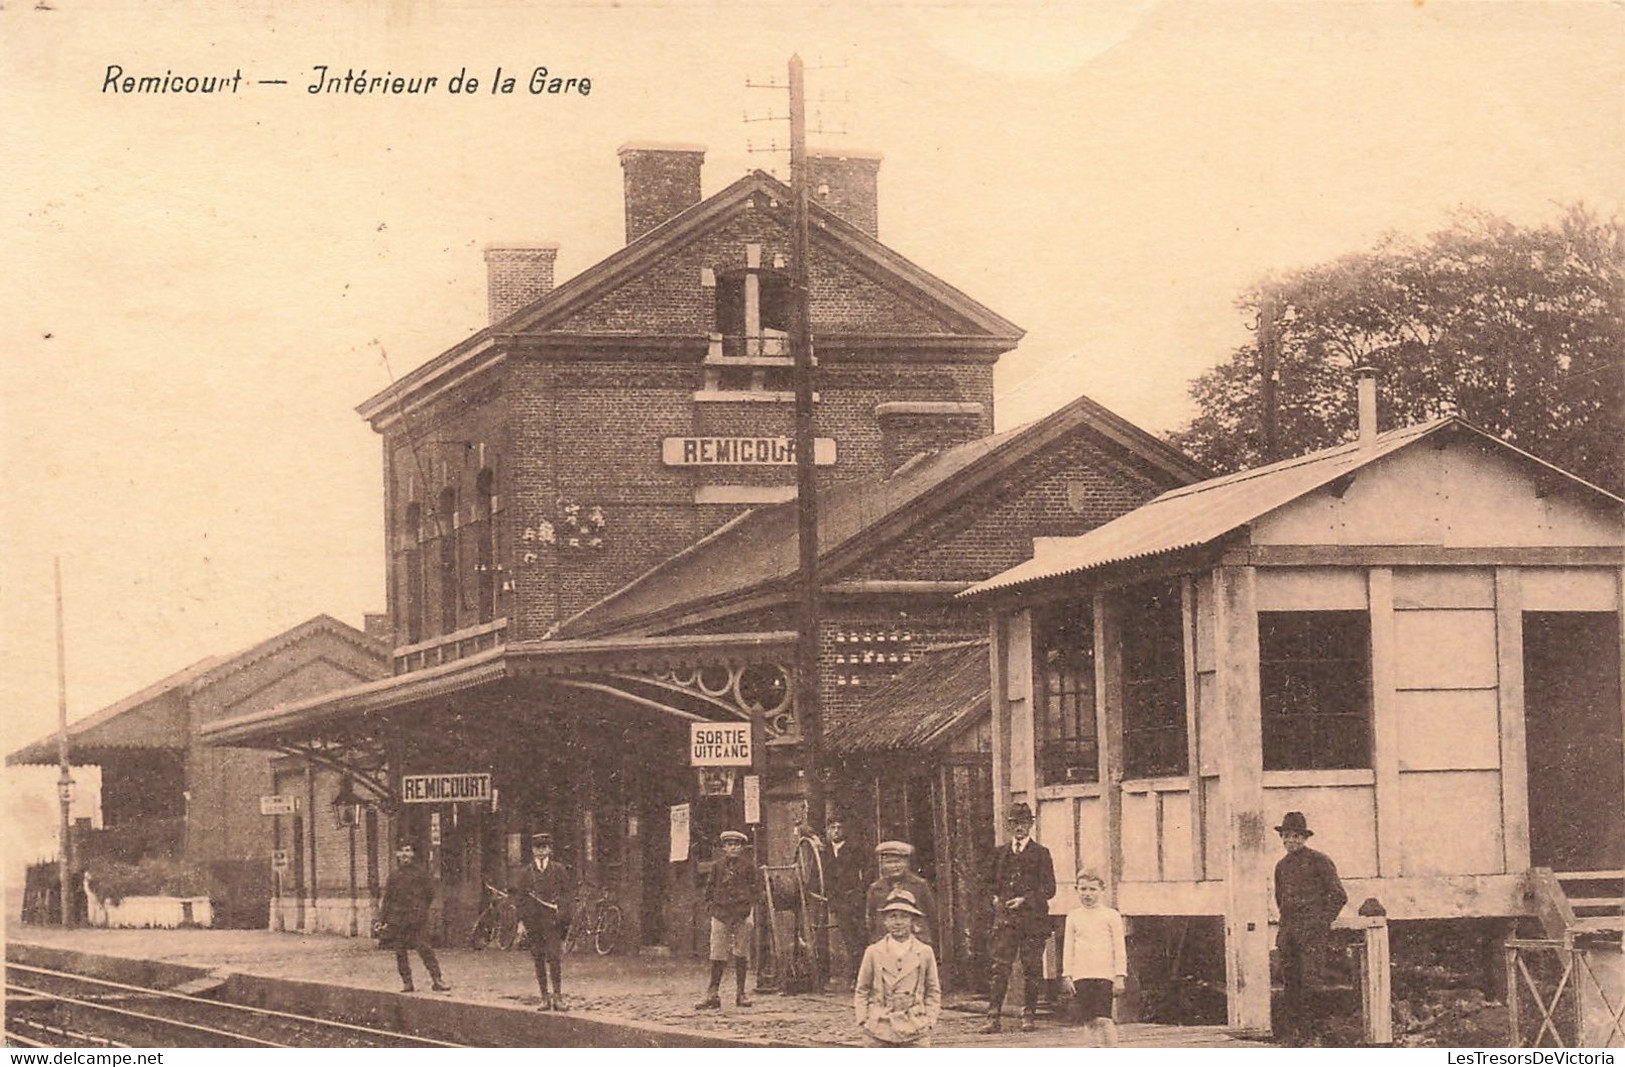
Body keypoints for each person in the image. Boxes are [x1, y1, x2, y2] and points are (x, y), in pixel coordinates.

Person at [1273, 811, 1348, 1046]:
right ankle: (1293, 1036)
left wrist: (1320, 923)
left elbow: (1338, 896)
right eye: (1286, 836)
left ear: (1304, 838)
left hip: (1312, 935)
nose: (1291, 841)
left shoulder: (1319, 861)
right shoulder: (1281, 866)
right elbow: (1281, 901)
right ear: (1282, 838)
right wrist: (1285, 930)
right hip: (1289, 936)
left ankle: (1314, 1035)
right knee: (1290, 984)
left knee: (1311, 983)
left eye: (1296, 836)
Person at [981, 802, 1056, 1033]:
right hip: (1005, 922)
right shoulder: (1000, 852)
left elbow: (1049, 889)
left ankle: (1029, 1014)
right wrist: (995, 897)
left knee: (1031, 968)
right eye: (1014, 823)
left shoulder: (1041, 853)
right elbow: (988, 882)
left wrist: (1025, 900)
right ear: (1009, 826)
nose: (1019, 828)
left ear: (1031, 825)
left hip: (1032, 922)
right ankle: (993, 1016)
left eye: (1023, 823)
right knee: (999, 968)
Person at [854, 888, 942, 1047]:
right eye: (892, 917)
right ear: (885, 921)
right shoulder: (874, 951)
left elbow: (933, 990)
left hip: (915, 1027)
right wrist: (863, 1019)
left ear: (913, 921)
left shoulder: (924, 952)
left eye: (904, 916)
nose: (898, 922)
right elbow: (862, 989)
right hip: (879, 1027)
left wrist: (929, 1020)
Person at [1061, 872, 1126, 1047]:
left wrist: (1120, 975)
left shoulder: (1111, 915)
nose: (1087, 894)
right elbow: (1068, 947)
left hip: (1104, 974)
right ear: (1076, 890)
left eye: (1092, 889)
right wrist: (1067, 974)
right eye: (1083, 889)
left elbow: (1119, 947)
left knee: (1104, 1019)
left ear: (1102, 890)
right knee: (1089, 1020)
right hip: (1082, 974)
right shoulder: (1073, 916)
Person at [696, 829, 759, 1010]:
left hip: (742, 913)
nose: (733, 848)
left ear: (742, 847)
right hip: (721, 914)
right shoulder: (717, 867)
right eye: (729, 844)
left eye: (737, 844)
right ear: (724, 847)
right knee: (717, 952)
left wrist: (749, 907)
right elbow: (709, 890)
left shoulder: (749, 867)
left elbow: (756, 889)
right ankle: (713, 993)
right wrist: (711, 907)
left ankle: (741, 993)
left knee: (741, 952)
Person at [377, 841, 450, 994]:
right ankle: (407, 982)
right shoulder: (394, 876)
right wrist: (382, 920)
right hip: (397, 919)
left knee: (424, 948)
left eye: (408, 850)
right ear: (398, 855)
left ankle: (437, 979)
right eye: (402, 851)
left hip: (416, 919)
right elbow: (387, 899)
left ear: (412, 854)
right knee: (400, 952)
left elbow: (430, 894)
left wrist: (421, 910)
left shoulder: (421, 874)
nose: (405, 854)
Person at [515, 831, 574, 1012]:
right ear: (533, 851)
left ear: (549, 850)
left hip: (553, 922)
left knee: (554, 958)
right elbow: (521, 899)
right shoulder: (526, 872)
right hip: (534, 923)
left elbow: (566, 895)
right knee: (538, 959)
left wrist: (563, 915)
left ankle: (558, 997)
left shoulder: (558, 870)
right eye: (537, 848)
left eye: (544, 848)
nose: (541, 852)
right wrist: (521, 923)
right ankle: (544, 998)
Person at [864, 841, 938, 947]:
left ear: (907, 863)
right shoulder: (876, 888)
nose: (894, 866)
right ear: (882, 865)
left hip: (916, 943)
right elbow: (870, 921)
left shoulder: (920, 885)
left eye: (898, 862)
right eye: (889, 862)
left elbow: (931, 916)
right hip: (885, 944)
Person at [824, 816, 869, 986]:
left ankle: (858, 975)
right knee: (848, 938)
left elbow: (866, 873)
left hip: (853, 899)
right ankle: (854, 975)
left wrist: (859, 893)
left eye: (839, 827)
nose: (836, 831)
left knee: (858, 938)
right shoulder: (825, 851)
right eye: (832, 828)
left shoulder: (854, 850)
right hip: (837, 901)